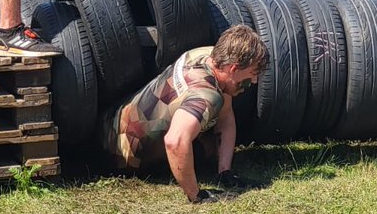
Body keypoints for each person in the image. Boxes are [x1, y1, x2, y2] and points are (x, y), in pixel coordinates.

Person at [100, 25, 269, 204]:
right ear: (233, 69)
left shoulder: (206, 55)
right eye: (252, 73)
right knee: (201, 146)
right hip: (118, 155)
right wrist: (196, 195)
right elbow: (175, 141)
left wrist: (224, 172)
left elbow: (225, 116)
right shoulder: (206, 96)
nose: (255, 80)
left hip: (110, 120)